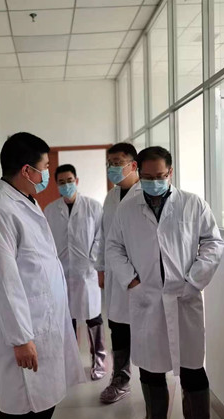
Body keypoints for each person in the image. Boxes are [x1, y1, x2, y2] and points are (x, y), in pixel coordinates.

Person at [106, 147, 224, 419]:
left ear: (170, 172)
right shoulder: (127, 208)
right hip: (146, 299)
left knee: (193, 368)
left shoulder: (192, 203)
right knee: (150, 368)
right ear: (138, 172)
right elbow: (114, 246)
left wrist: (194, 280)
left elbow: (212, 242)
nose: (153, 182)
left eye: (159, 176)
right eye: (147, 177)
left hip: (184, 298)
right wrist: (130, 279)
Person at [0, 132, 85, 419]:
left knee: (40, 408)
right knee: (21, 416)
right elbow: (3, 281)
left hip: (43, 321)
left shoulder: (26, 200)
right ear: (27, 170)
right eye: (45, 167)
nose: (47, 174)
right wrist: (21, 338)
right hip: (25, 331)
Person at [44, 164, 106, 381]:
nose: (66, 185)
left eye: (69, 181)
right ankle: (69, 363)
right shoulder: (50, 210)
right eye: (61, 182)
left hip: (86, 272)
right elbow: (46, 241)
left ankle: (99, 361)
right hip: (60, 272)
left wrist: (92, 261)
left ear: (76, 181)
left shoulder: (93, 207)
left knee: (93, 317)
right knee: (65, 318)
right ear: (56, 185)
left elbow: (100, 237)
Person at [96, 142, 140, 404]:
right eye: (110, 163)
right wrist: (101, 268)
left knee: (145, 330)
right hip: (115, 275)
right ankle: (120, 379)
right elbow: (104, 237)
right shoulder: (110, 197)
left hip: (140, 276)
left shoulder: (144, 194)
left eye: (118, 162)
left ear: (133, 165)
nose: (112, 167)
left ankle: (153, 381)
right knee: (119, 328)